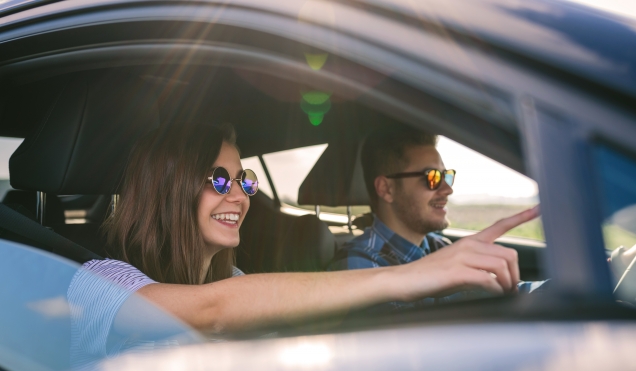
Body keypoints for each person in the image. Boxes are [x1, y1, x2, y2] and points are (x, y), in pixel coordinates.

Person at [68, 123, 537, 354]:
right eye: (218, 179)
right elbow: (212, 312)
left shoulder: (234, 278)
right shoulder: (98, 285)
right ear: (168, 188)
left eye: (245, 180)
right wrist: (410, 276)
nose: (241, 196)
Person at [327, 126, 544, 306]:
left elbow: (503, 293)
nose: (447, 189)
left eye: (446, 176)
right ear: (386, 189)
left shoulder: (440, 247)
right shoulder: (358, 265)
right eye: (432, 177)